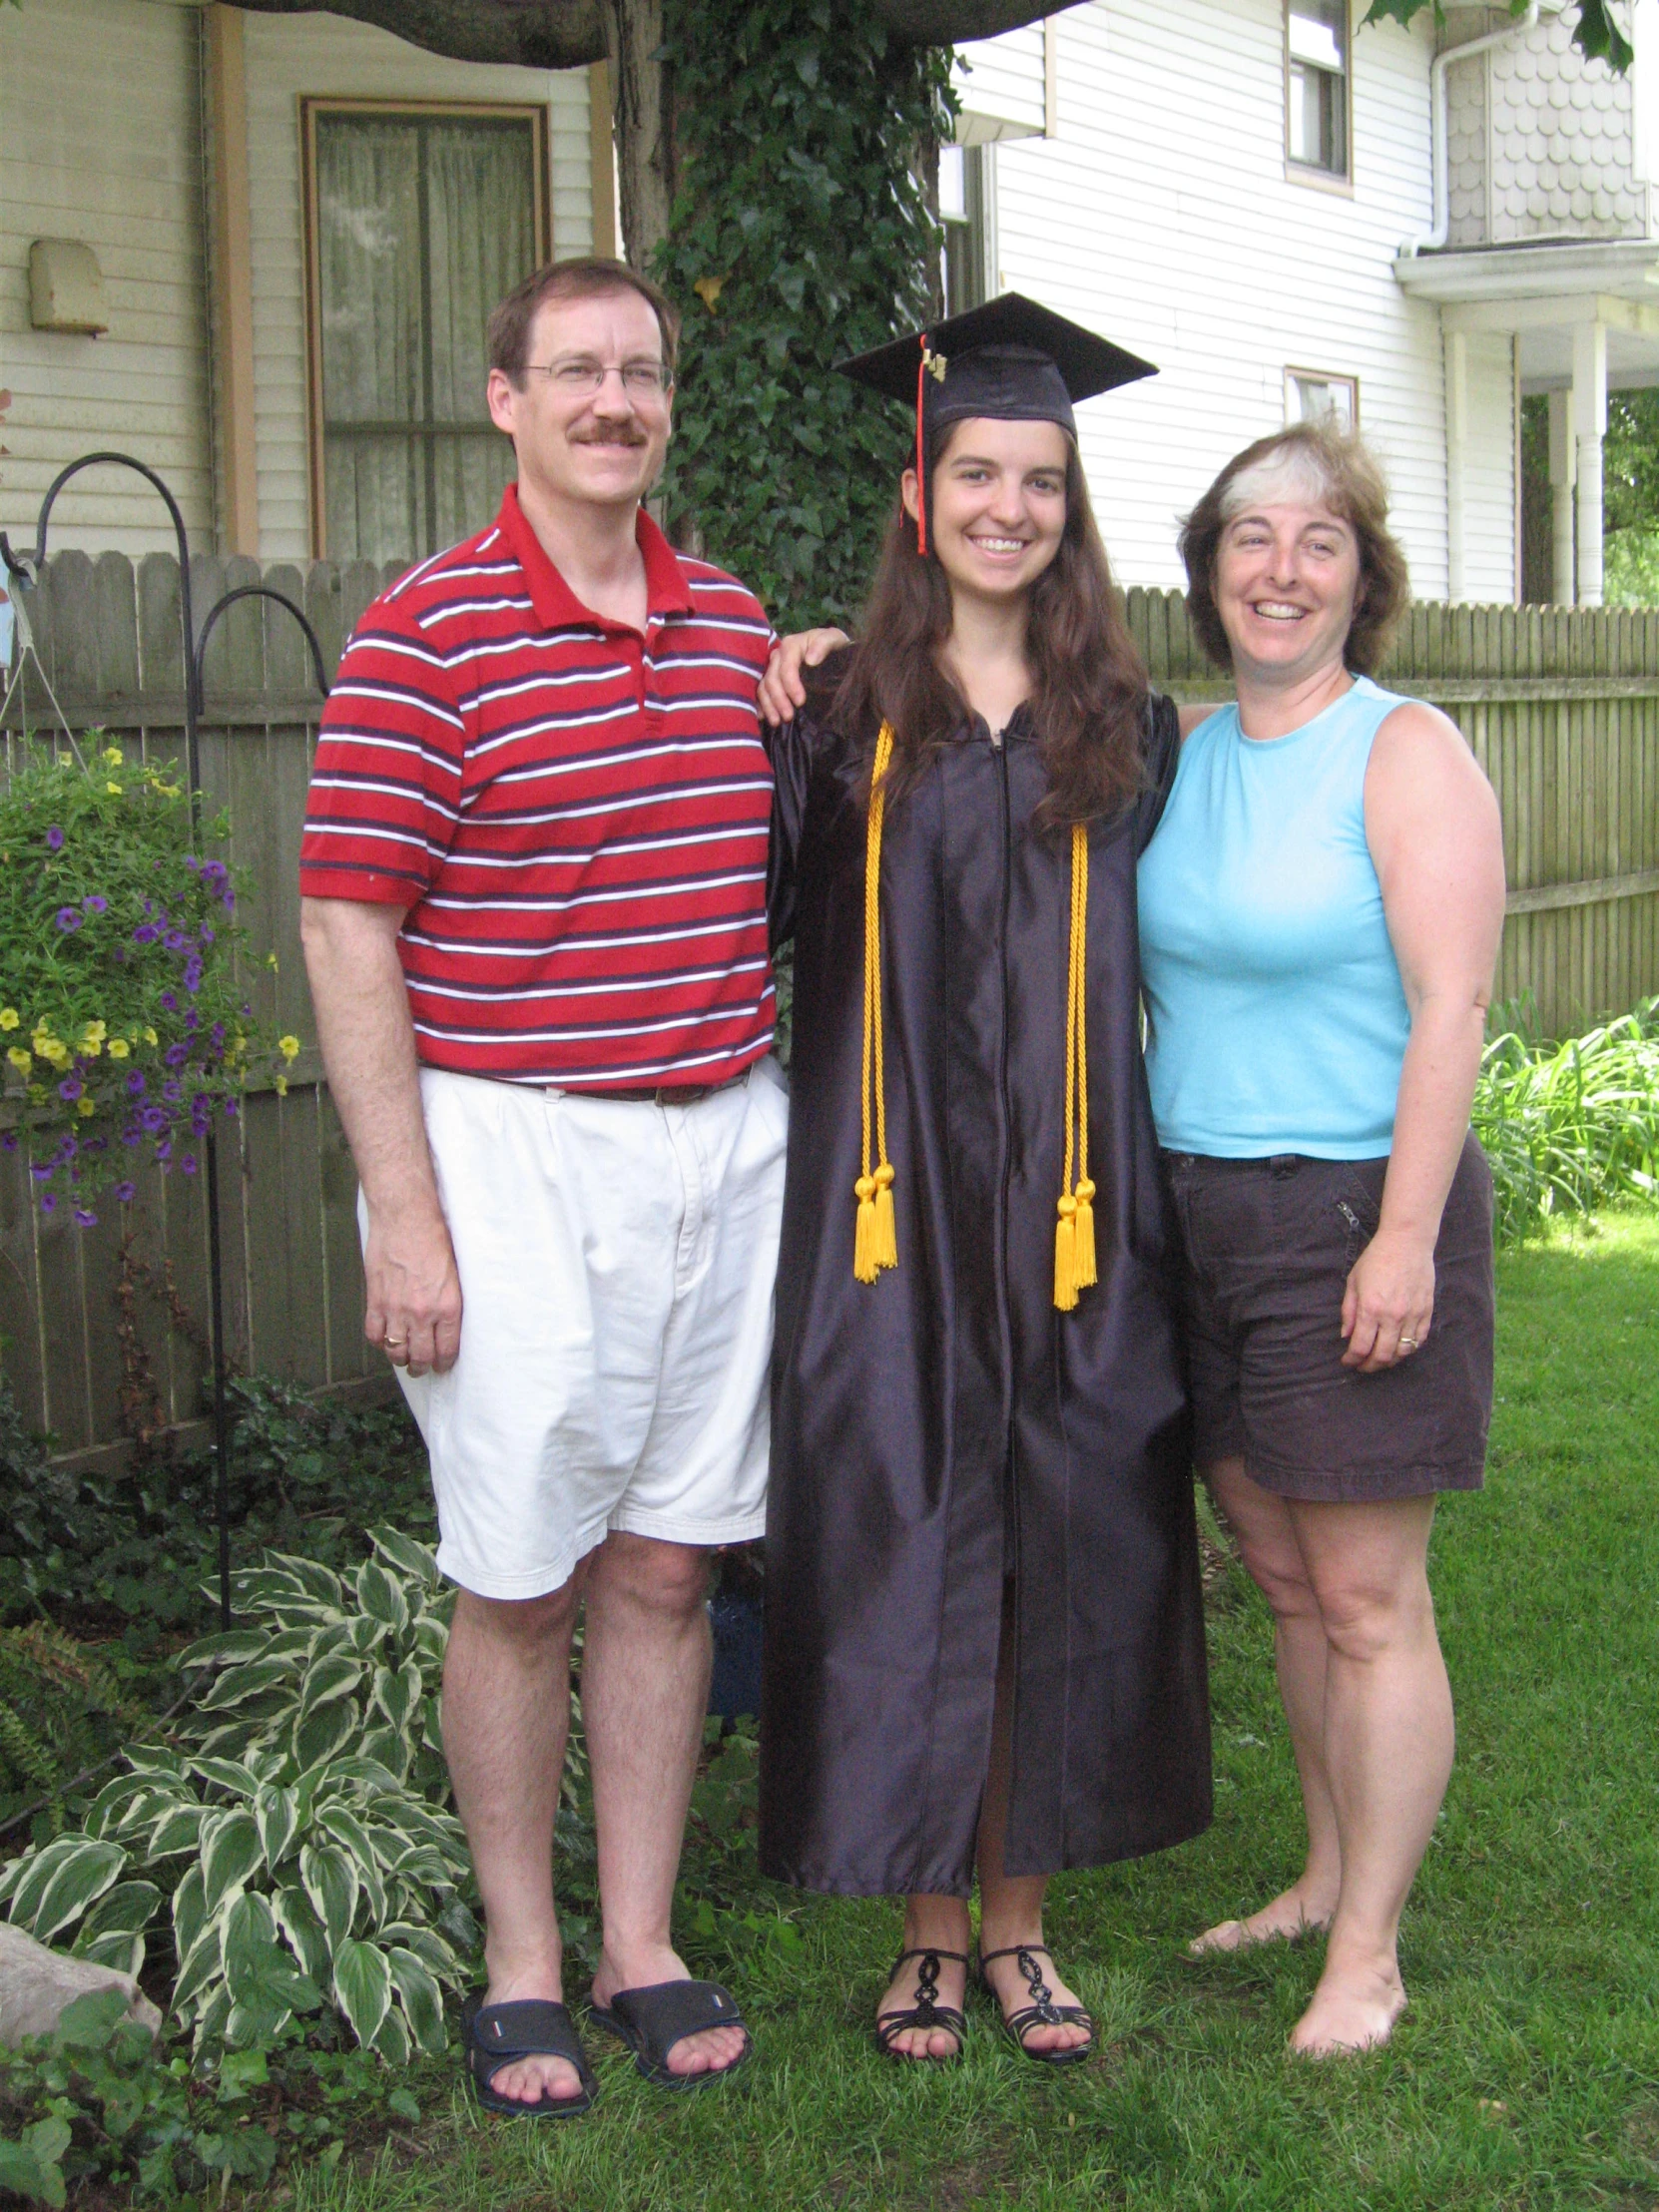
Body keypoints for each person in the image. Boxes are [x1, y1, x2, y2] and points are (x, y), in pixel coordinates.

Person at [298, 257, 787, 2115]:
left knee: (666, 1565)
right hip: (509, 1144)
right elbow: (350, 929)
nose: (612, 401)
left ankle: (637, 1937)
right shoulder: (427, 633)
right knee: (517, 1577)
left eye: (639, 373)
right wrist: (404, 1213)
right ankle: (523, 1956)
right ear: (504, 397)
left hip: (718, 1134)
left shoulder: (727, 615)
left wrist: (805, 660)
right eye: (574, 370)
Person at [759, 294, 1212, 2066]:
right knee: (896, 1533)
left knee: (1067, 1528)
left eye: (1039, 479)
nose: (1006, 507)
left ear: (1069, 504)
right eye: (974, 474)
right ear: (915, 491)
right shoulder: (835, 712)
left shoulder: (1130, 724)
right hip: (889, 1210)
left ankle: (1020, 1925)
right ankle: (923, 1929)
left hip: (1076, 1210)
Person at [1136, 419, 1506, 2055]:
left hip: (1353, 1202)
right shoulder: (1187, 750)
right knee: (1282, 1584)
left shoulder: (1401, 749)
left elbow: (1453, 1009)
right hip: (1193, 1207)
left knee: (1367, 1600)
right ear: (1207, 568)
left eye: (1317, 541)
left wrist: (1404, 1238)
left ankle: (1367, 1953)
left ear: (1365, 577)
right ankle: (1317, 1872)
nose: (1279, 570)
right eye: (1248, 538)